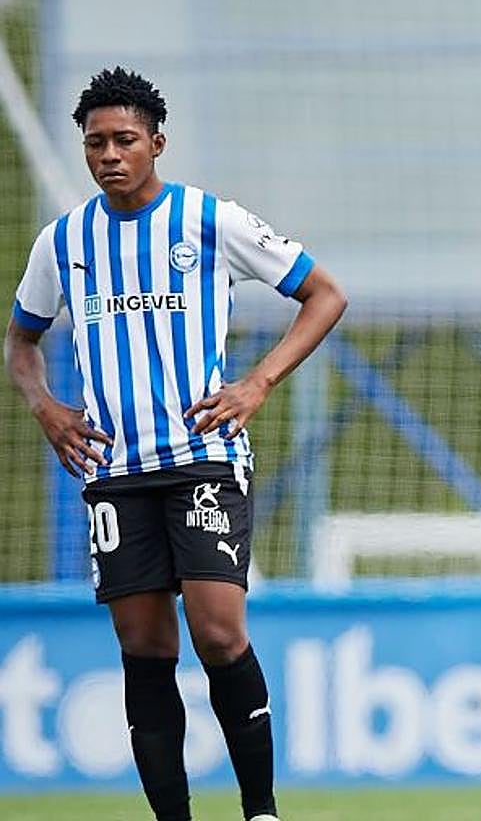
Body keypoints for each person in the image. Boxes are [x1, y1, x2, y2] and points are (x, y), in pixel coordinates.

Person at [4, 67, 347, 821]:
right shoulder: (63, 241)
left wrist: (256, 383)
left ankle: (261, 810)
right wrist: (47, 409)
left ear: (157, 142)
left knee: (219, 633)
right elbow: (20, 341)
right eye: (95, 143)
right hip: (115, 469)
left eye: (125, 139)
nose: (109, 155)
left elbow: (324, 294)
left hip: (202, 457)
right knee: (144, 649)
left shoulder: (207, 220)